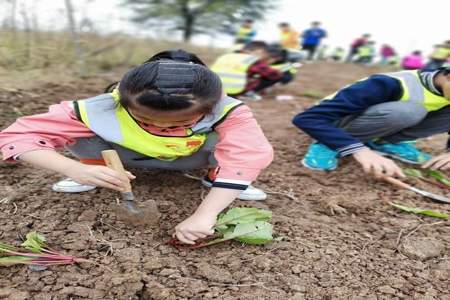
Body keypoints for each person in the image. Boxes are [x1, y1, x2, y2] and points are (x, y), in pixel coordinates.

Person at [0, 49, 274, 245]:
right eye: (144, 119)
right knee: (83, 129)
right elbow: (16, 136)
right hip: (125, 156)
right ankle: (92, 170)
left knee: (238, 145)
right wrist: (71, 167)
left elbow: (245, 156)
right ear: (121, 100)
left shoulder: (229, 111)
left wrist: (206, 215)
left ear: (211, 106)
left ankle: (220, 180)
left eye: (182, 121)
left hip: (192, 158)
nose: (161, 128)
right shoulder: (100, 107)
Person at [292, 66, 450, 178]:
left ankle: (383, 142)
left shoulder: (443, 88)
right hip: (337, 121)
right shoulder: (387, 84)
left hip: (379, 125)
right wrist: (359, 150)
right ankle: (327, 144)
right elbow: (307, 118)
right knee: (410, 111)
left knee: (416, 111)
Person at [211, 41, 293, 101]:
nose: (265, 56)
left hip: (210, 89)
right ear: (258, 50)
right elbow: (273, 74)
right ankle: (248, 94)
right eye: (264, 53)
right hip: (231, 92)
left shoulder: (226, 56)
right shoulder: (251, 59)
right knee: (270, 75)